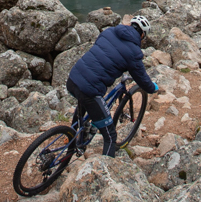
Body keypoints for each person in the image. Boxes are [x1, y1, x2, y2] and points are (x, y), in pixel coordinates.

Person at [66, 15, 159, 158]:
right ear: (141, 35)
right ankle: (105, 173)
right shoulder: (134, 52)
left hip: (73, 78)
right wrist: (152, 88)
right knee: (110, 136)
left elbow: (101, 49)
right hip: (90, 90)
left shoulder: (109, 31)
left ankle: (72, 148)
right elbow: (141, 78)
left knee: (83, 106)